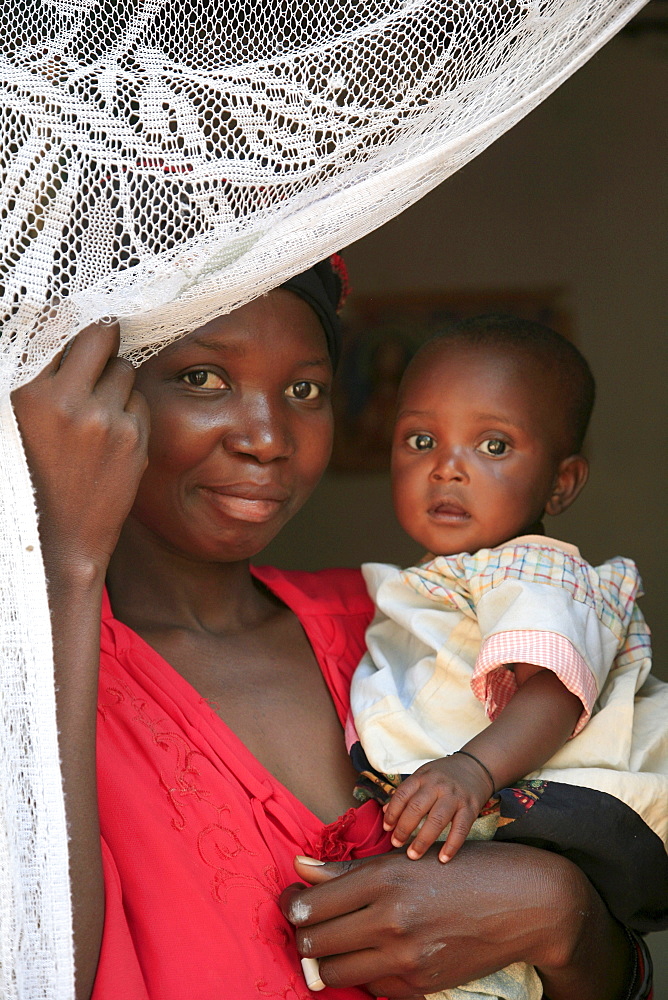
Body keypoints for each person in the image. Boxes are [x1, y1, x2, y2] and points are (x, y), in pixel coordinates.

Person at [11, 263, 653, 1000]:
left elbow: (603, 944)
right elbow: (33, 967)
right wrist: (66, 562)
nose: (267, 438)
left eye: (304, 391)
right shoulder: (42, 672)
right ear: (99, 406)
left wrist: (560, 914)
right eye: (203, 379)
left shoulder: (413, 627)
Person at [347, 316, 666, 995]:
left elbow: (552, 688)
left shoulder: (533, 571)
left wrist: (471, 768)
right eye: (421, 439)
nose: (448, 465)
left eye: (493, 443)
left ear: (560, 484)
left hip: (544, 820)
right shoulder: (455, 578)